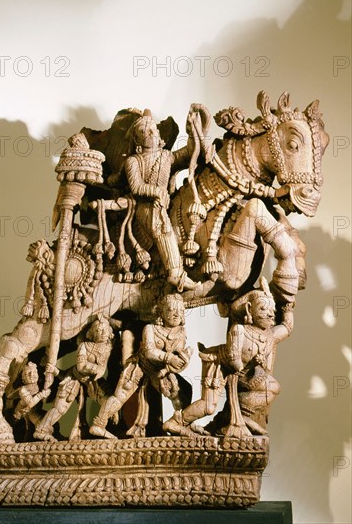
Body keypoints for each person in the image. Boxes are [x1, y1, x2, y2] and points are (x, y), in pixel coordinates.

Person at [163, 278, 294, 436]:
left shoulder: (269, 335)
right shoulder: (239, 330)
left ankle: (239, 416)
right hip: (219, 366)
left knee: (273, 388)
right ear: (249, 309)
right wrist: (253, 363)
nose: (270, 314)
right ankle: (176, 422)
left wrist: (288, 307)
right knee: (208, 406)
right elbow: (234, 360)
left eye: (272, 311)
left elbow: (287, 328)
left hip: (245, 373)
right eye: (263, 309)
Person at [89, 293, 192, 439]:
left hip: (159, 370)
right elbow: (149, 351)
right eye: (171, 310)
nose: (176, 314)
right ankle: (99, 424)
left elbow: (178, 356)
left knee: (182, 392)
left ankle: (180, 422)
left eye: (180, 311)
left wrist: (183, 361)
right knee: (120, 397)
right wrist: (170, 358)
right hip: (139, 366)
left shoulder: (181, 332)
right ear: (161, 312)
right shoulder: (150, 328)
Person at [124, 110, 199, 291]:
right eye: (143, 131)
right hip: (145, 207)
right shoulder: (133, 161)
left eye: (153, 129)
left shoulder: (167, 156)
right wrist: (157, 191)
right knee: (159, 221)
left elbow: (190, 152)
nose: (150, 132)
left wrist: (193, 130)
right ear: (137, 140)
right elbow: (136, 187)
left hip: (165, 203)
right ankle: (175, 273)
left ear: (159, 134)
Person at [34, 314, 115, 441]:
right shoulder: (84, 346)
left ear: (110, 332)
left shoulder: (109, 346)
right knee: (60, 408)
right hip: (74, 378)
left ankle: (100, 426)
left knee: (110, 401)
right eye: (98, 330)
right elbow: (81, 366)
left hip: (94, 381)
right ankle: (42, 430)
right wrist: (95, 368)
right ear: (91, 334)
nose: (102, 333)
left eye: (105, 329)